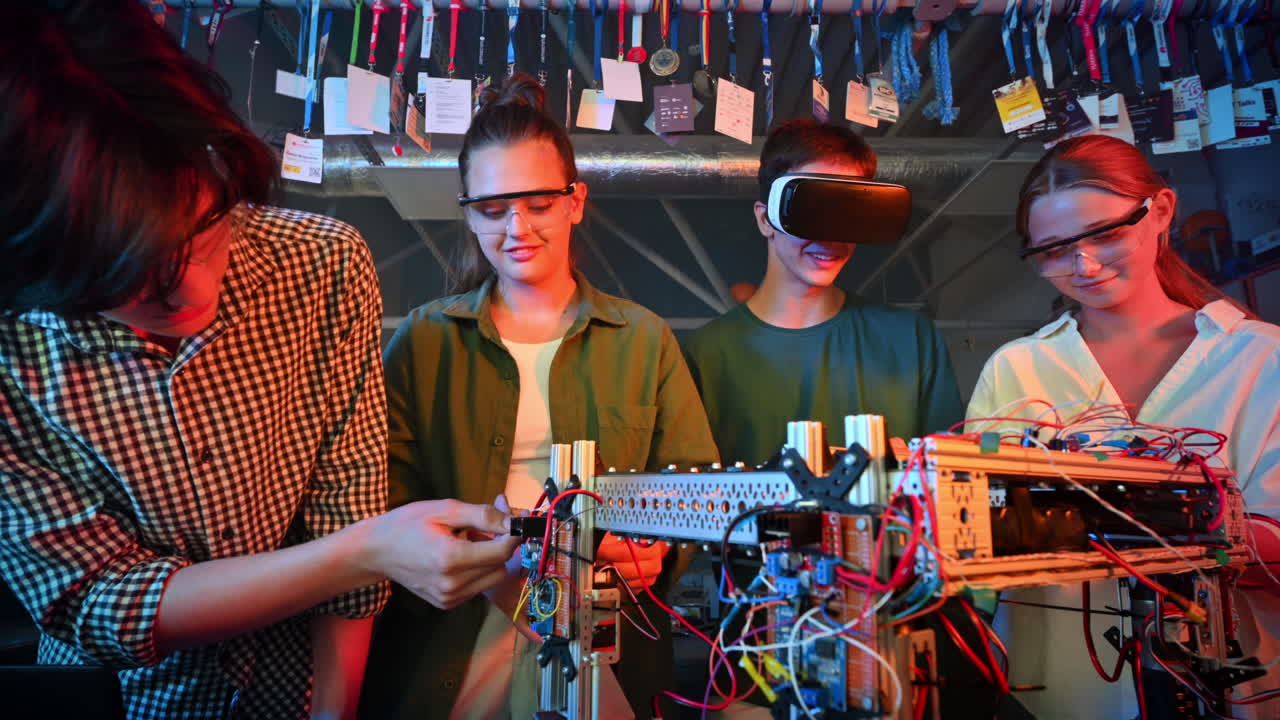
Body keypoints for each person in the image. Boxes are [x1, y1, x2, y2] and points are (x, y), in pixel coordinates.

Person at [0, 3, 518, 718]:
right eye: (131, 277)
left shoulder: (321, 264)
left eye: (203, 227)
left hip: (294, 688)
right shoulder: (14, 352)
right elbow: (96, 602)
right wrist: (365, 550)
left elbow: (346, 500)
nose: (191, 291)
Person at [359, 74, 719, 720]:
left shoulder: (642, 340)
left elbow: (688, 487)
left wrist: (656, 549)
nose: (516, 227)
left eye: (538, 204)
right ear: (467, 212)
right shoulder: (423, 341)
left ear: (575, 201)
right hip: (453, 647)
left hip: (608, 641)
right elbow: (375, 495)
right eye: (493, 209)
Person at [967, 135, 1280, 719]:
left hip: (1233, 690)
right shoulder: (1019, 369)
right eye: (1055, 251)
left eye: (1105, 235)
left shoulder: (1261, 362)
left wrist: (1161, 519)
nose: (1083, 266)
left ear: (1159, 211)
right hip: (1060, 694)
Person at [682, 118, 964, 467]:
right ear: (766, 219)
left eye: (848, 213)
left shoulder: (912, 341)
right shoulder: (704, 355)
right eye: (813, 211)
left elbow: (951, 479)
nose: (831, 239)